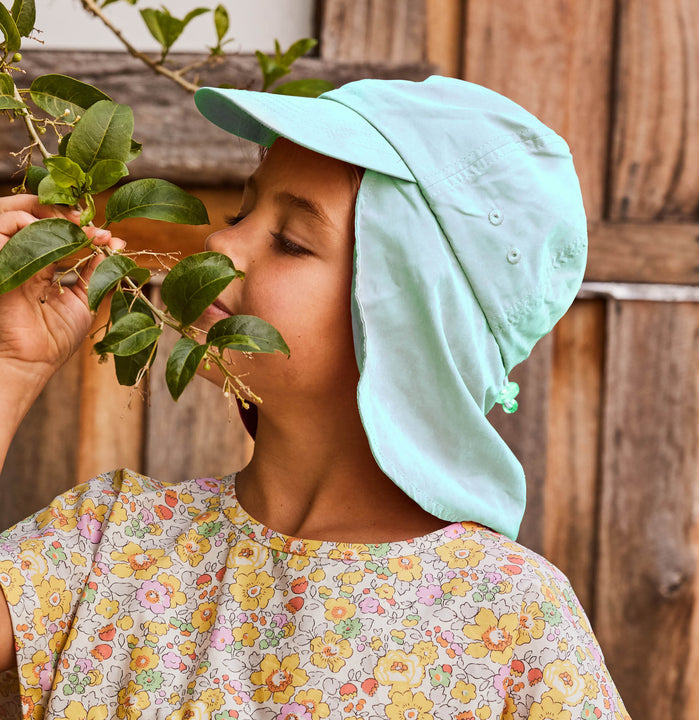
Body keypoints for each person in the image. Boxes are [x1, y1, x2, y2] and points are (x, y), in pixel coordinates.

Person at [0, 76, 630, 719]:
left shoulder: (514, 622)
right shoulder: (113, 539)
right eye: (243, 213)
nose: (221, 242)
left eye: (292, 241)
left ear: (403, 323)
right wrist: (10, 366)